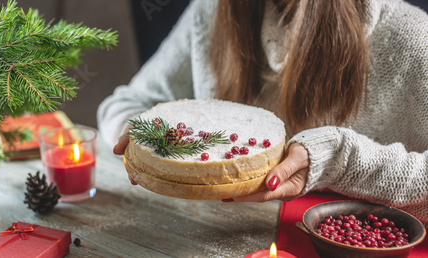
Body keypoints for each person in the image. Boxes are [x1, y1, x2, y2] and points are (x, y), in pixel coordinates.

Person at [97, 0, 428, 224]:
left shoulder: (411, 39)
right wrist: (147, 143)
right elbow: (125, 103)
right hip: (200, 232)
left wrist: (339, 160)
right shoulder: (212, 11)